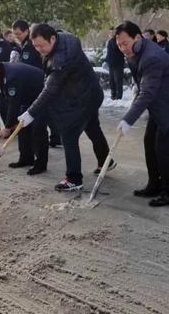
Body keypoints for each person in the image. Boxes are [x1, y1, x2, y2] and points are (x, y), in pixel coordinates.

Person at [17, 24, 111, 192]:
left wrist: (31, 112)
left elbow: (50, 89)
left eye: (42, 46)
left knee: (68, 134)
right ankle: (106, 160)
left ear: (52, 38)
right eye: (36, 46)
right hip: (90, 91)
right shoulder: (63, 38)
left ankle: (74, 178)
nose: (39, 50)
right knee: (92, 126)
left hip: (84, 97)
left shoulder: (61, 59)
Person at [115, 21, 169, 207]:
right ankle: (155, 184)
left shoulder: (152, 57)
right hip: (159, 102)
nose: (122, 48)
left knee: (163, 149)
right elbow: (142, 87)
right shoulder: (135, 51)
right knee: (149, 143)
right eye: (119, 45)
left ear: (138, 37)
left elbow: (147, 93)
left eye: (125, 43)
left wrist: (128, 120)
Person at [0, 61, 47, 175]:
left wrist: (7, 127)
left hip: (41, 95)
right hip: (26, 96)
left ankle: (41, 164)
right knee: (22, 128)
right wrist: (12, 125)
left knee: (38, 129)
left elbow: (13, 104)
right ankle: (26, 158)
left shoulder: (11, 77)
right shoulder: (1, 71)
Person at [12, 19, 60, 148]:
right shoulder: (24, 45)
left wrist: (17, 65)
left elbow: (29, 66)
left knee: (43, 113)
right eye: (14, 34)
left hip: (38, 83)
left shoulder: (30, 45)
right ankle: (56, 137)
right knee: (47, 111)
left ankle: (55, 137)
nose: (16, 37)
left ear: (26, 31)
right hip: (39, 82)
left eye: (19, 34)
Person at [105, 28, 125, 100]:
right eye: (110, 32)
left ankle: (119, 96)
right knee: (111, 81)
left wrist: (114, 39)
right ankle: (113, 95)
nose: (111, 33)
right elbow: (109, 52)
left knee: (118, 81)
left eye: (113, 32)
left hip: (118, 63)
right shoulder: (110, 41)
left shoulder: (118, 40)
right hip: (111, 64)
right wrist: (107, 60)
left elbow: (116, 48)